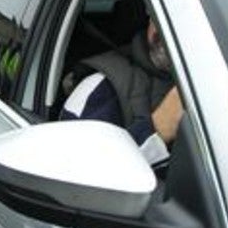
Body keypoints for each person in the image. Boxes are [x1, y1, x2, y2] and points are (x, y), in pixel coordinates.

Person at [60, 16, 183, 165]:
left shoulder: (215, 84)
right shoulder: (101, 89)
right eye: (163, 18)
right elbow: (78, 171)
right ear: (149, 15)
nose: (169, 31)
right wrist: (156, 130)